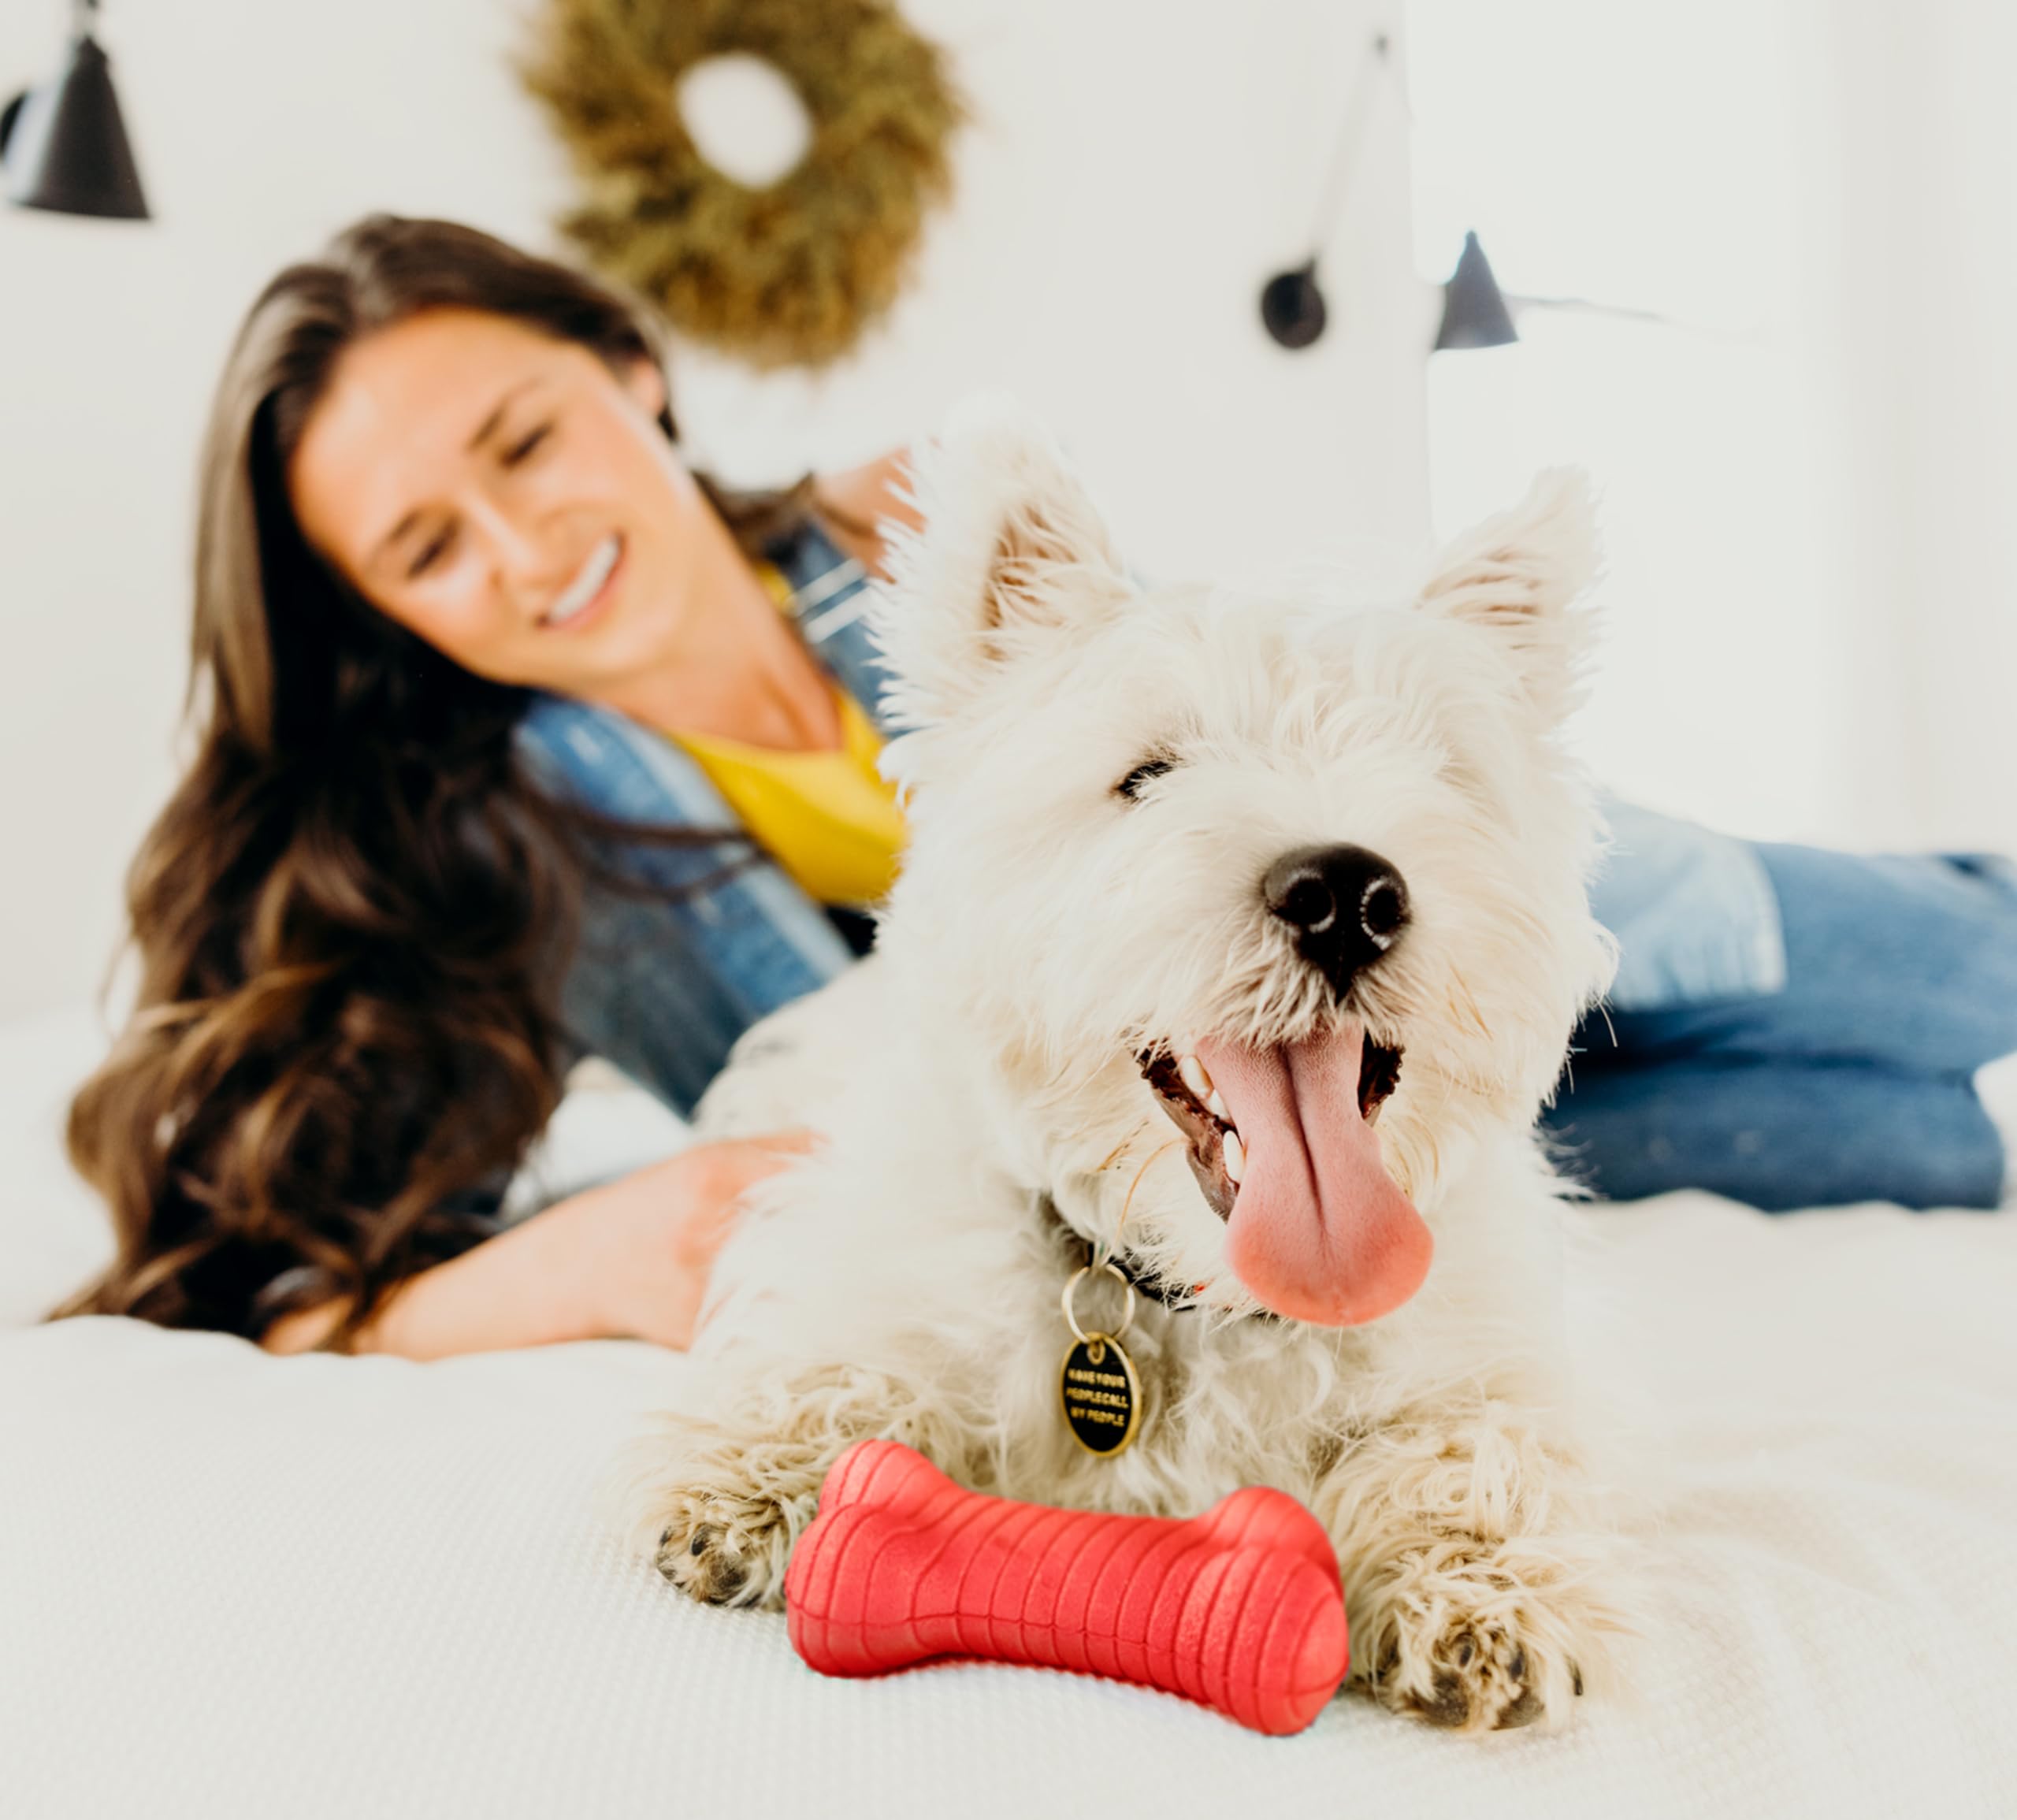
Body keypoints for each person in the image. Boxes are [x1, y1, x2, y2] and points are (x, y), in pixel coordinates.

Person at [55, 216, 2017, 1361]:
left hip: (1357, 893)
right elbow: (268, 1278)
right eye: (427, 545)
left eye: (523, 437)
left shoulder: (896, 534)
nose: (521, 539)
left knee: (1954, 981)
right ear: (391, 616)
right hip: (1220, 1111)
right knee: (1930, 1147)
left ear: (630, 370)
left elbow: (1209, 733)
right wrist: (571, 1259)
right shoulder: (495, 839)